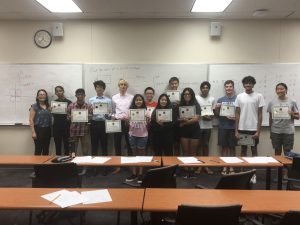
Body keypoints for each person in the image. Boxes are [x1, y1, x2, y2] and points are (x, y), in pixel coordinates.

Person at [235, 76, 265, 157]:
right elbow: (237, 113)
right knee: (243, 150)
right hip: (242, 128)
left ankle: (254, 169)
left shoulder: (259, 96)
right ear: (243, 85)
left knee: (254, 150)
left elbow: (260, 114)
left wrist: (258, 131)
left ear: (253, 84)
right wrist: (236, 131)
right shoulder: (239, 96)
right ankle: (242, 169)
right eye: (246, 83)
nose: (248, 84)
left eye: (250, 83)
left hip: (254, 128)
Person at [267, 83, 299, 156]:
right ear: (276, 91)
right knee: (277, 152)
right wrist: (270, 131)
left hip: (288, 131)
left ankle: (287, 167)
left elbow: (298, 116)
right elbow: (270, 118)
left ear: (286, 90)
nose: (279, 90)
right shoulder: (272, 102)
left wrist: (292, 114)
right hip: (275, 131)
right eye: (277, 89)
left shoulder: (292, 101)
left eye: (281, 89)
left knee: (287, 152)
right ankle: (279, 167)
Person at [125, 94, 151, 183]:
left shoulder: (146, 111)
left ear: (142, 101)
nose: (138, 101)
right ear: (134, 101)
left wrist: (148, 121)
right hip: (132, 135)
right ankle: (134, 173)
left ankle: (140, 174)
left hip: (143, 135)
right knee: (134, 155)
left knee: (141, 155)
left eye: (140, 100)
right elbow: (126, 125)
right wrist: (127, 121)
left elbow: (148, 125)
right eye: (136, 100)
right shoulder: (129, 111)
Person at [112, 79, 134, 173]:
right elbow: (112, 111)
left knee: (129, 144)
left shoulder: (132, 97)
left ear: (127, 86)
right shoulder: (114, 97)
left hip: (128, 123)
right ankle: (118, 166)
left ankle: (130, 165)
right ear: (118, 86)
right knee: (117, 144)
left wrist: (129, 118)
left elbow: (133, 110)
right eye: (121, 84)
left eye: (125, 84)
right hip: (117, 123)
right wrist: (113, 116)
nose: (123, 86)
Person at [178, 88, 201, 178]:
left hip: (194, 130)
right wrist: (181, 120)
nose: (187, 95)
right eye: (185, 94)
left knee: (193, 152)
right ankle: (186, 169)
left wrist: (184, 123)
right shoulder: (180, 105)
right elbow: (177, 118)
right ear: (183, 96)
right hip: (184, 131)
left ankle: (192, 170)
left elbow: (196, 118)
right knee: (185, 152)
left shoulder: (196, 105)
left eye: (189, 94)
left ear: (192, 95)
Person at [215, 80, 236, 174]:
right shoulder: (220, 100)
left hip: (233, 127)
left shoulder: (237, 99)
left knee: (232, 148)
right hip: (223, 127)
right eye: (227, 86)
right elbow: (216, 115)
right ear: (224, 88)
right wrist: (216, 108)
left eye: (230, 86)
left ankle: (231, 167)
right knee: (224, 147)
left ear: (233, 87)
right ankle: (224, 166)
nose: (229, 88)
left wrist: (235, 117)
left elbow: (240, 113)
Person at [196, 81, 216, 174]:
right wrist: (203, 116)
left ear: (209, 89)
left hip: (208, 126)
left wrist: (211, 117)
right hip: (198, 125)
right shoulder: (196, 98)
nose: (205, 89)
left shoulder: (212, 98)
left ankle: (206, 166)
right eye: (203, 87)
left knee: (206, 145)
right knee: (198, 146)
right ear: (201, 89)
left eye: (207, 87)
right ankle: (199, 166)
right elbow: (195, 111)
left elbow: (214, 111)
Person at [89, 80, 112, 157]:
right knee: (94, 145)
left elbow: (111, 114)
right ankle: (94, 166)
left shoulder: (108, 100)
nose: (99, 89)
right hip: (94, 123)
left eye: (101, 87)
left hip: (104, 124)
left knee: (104, 145)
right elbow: (89, 113)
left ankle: (105, 167)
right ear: (95, 88)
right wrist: (91, 111)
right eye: (97, 87)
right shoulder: (91, 100)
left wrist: (108, 113)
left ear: (103, 89)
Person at [67, 88, 92, 156]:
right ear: (76, 95)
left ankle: (85, 166)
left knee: (85, 151)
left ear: (84, 95)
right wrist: (69, 117)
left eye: (82, 94)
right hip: (74, 130)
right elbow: (67, 116)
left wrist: (89, 117)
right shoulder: (71, 105)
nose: (80, 96)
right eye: (78, 94)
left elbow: (91, 117)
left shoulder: (88, 106)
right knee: (73, 151)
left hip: (85, 131)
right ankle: (72, 165)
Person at [29, 89, 52, 155]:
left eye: (44, 94)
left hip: (48, 129)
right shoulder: (34, 106)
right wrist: (33, 132)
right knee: (38, 149)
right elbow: (31, 120)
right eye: (40, 94)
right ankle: (37, 165)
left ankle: (44, 165)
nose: (42, 96)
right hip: (38, 130)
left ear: (46, 96)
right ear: (37, 97)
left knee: (46, 149)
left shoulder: (49, 106)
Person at [52, 86, 72, 156]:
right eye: (57, 91)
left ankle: (66, 163)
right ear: (55, 93)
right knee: (58, 146)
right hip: (56, 127)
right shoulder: (54, 103)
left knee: (67, 146)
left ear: (63, 91)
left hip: (66, 127)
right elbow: (53, 115)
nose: (59, 92)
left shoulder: (69, 102)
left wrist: (69, 115)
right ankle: (58, 164)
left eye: (60, 90)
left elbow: (71, 116)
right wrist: (51, 110)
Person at [167, 76, 180, 156]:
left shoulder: (182, 95)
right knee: (169, 144)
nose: (174, 85)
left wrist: (180, 103)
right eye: (172, 84)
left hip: (179, 122)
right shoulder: (166, 95)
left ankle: (177, 164)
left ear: (178, 84)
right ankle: (170, 162)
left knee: (177, 144)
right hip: (169, 122)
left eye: (175, 83)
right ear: (170, 85)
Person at [144, 87, 157, 154]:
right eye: (147, 93)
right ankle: (145, 163)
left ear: (153, 94)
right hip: (143, 129)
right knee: (144, 147)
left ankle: (152, 163)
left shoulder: (157, 104)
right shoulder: (142, 104)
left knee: (152, 146)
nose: (149, 95)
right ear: (145, 94)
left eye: (151, 93)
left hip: (153, 128)